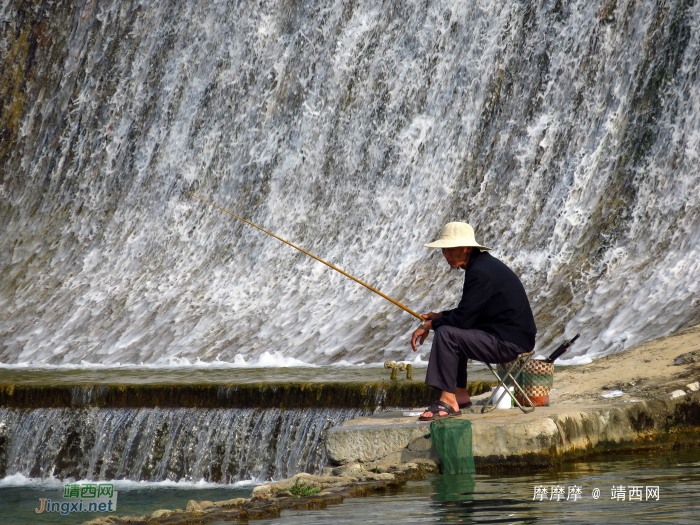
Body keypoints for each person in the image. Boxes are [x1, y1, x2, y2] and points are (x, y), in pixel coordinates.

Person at [411, 222, 537, 420]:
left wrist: (429, 325)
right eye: (444, 249)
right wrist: (441, 316)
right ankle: (460, 394)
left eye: (451, 249)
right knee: (451, 329)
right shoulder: (482, 265)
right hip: (507, 337)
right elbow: (471, 311)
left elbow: (463, 319)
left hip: (509, 344)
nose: (446, 254)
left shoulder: (479, 272)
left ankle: (447, 401)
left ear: (467, 248)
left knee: (447, 333)